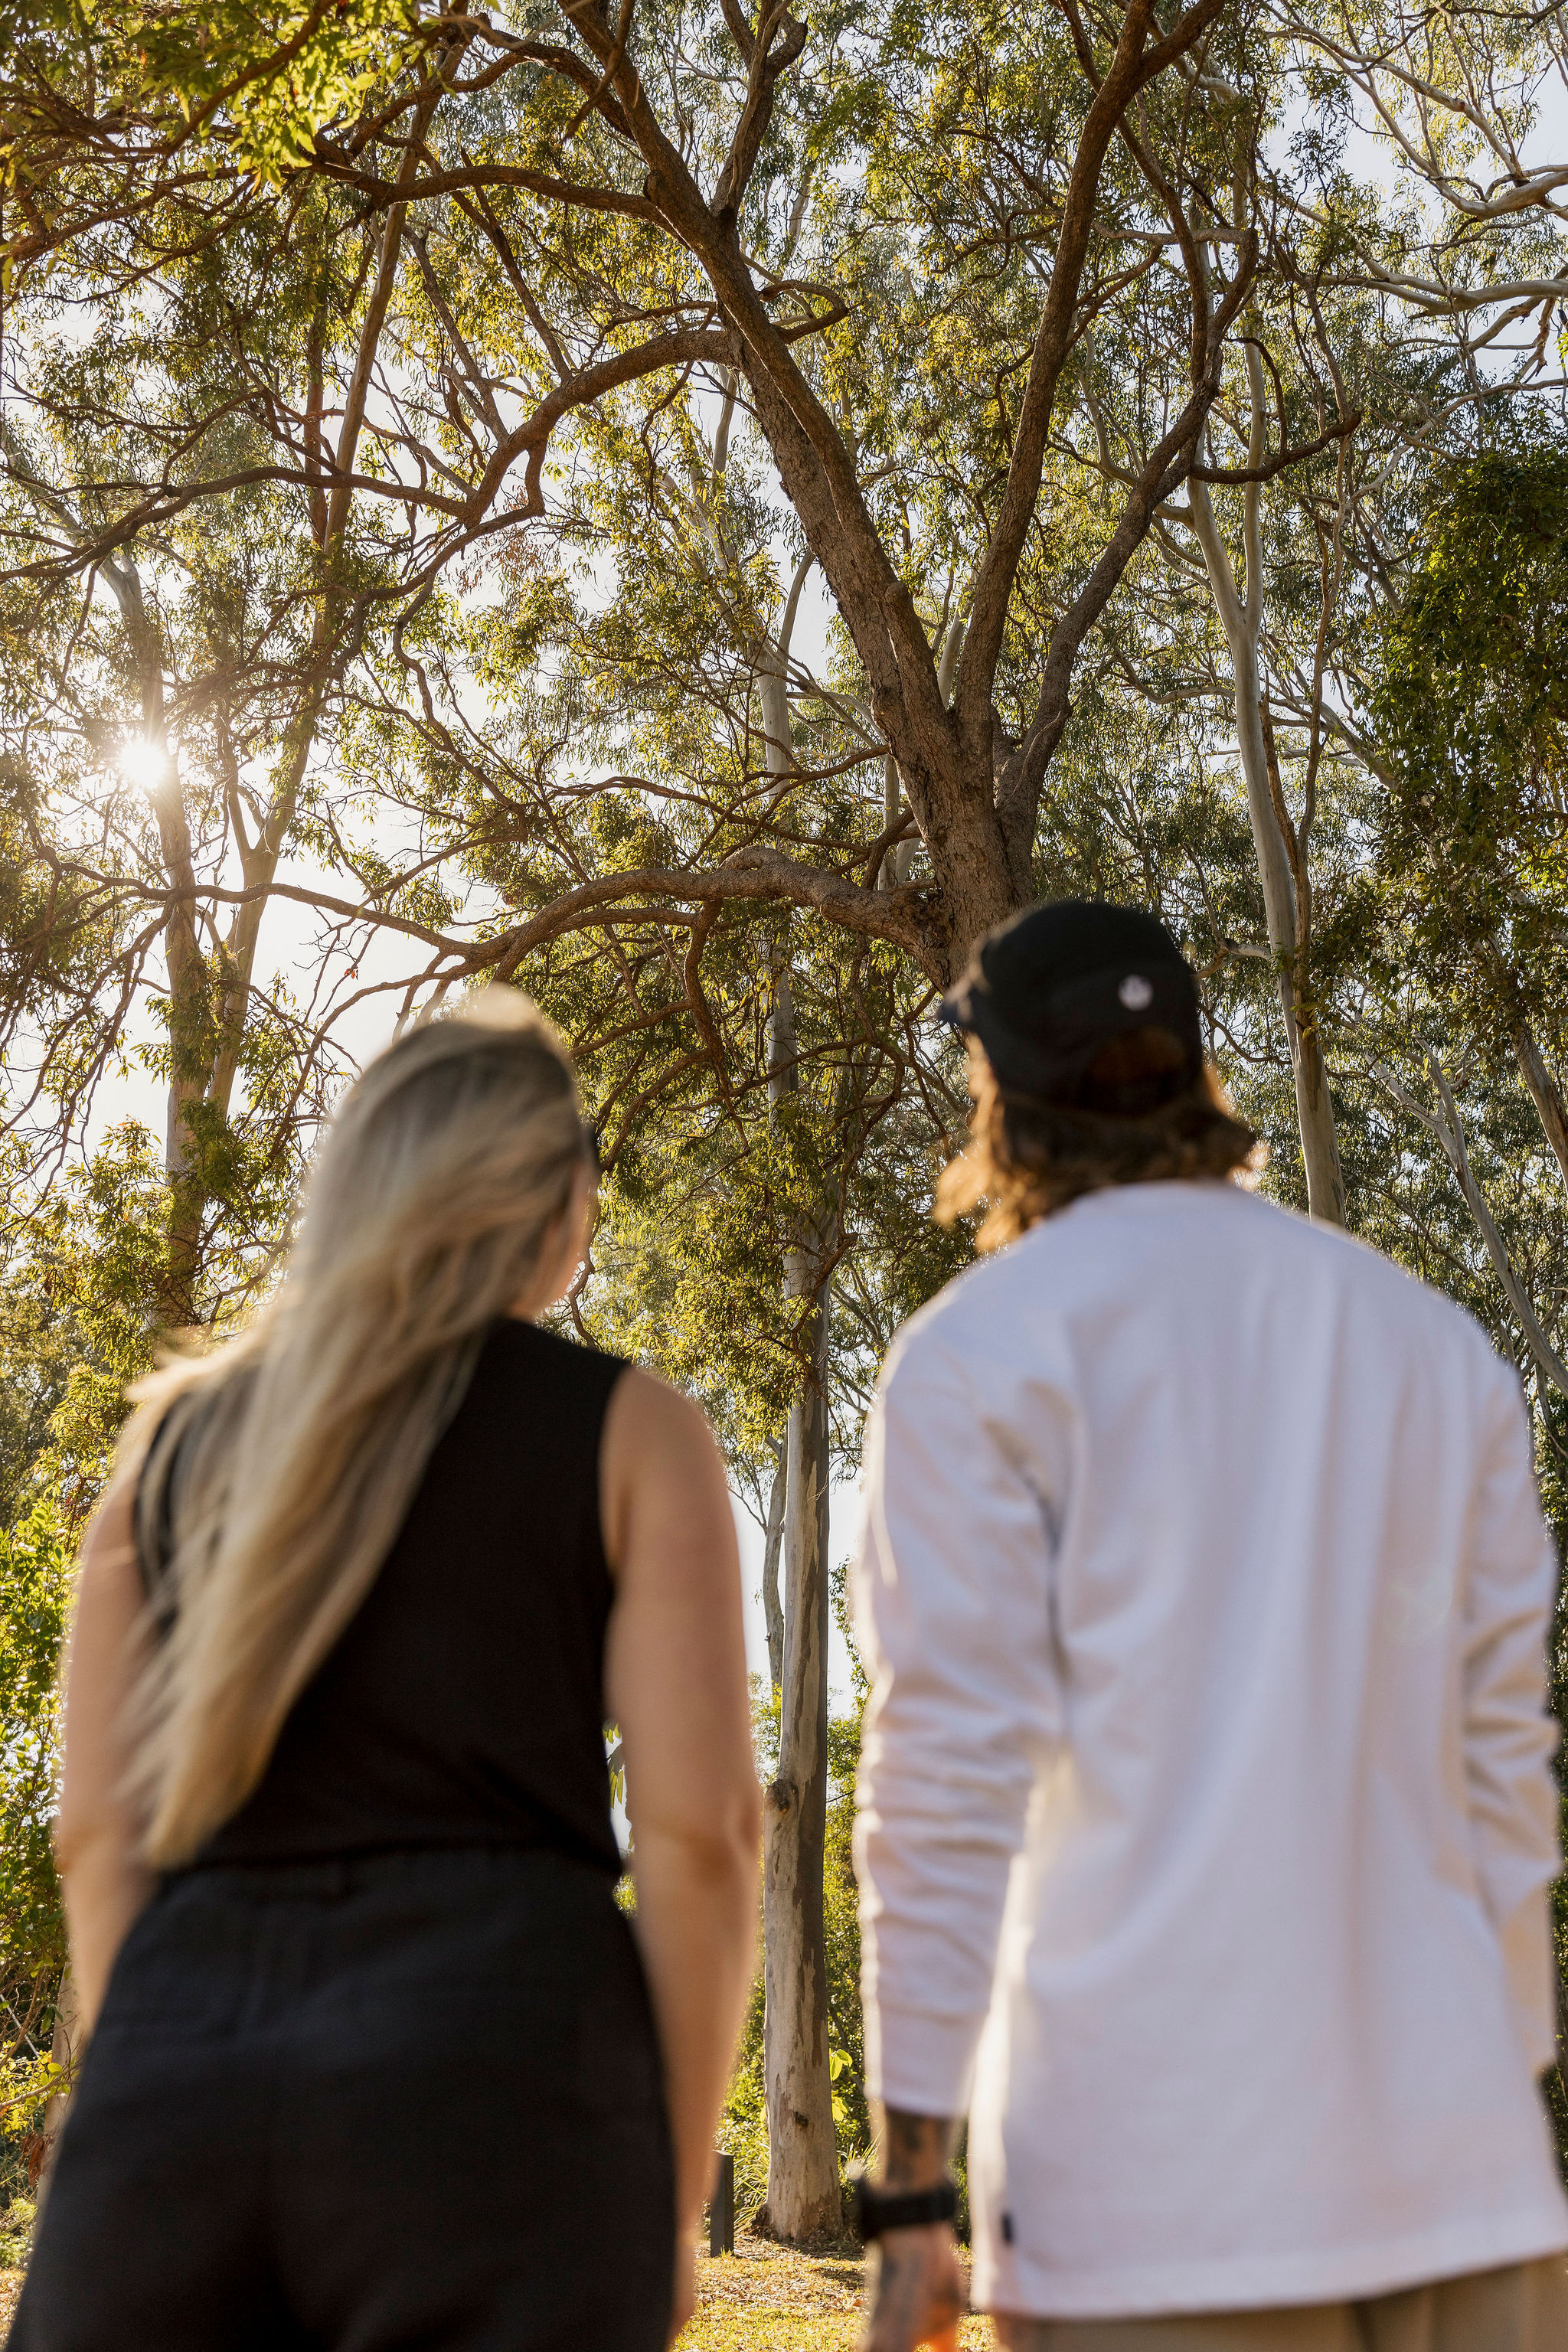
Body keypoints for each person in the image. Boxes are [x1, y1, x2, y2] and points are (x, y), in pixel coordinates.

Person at [851, 899, 1568, 2352]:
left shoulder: (975, 1360)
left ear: (1001, 1097)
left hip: (1154, 2210)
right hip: (1467, 2185)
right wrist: (1490, 2096)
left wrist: (911, 2189)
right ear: (1194, 1070)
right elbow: (1508, 1780)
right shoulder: (1434, 1346)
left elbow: (944, 1793)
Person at [11, 987, 760, 2352]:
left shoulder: (168, 1444)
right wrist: (660, 2195)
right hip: (500, 2074)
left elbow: (98, 1834)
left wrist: (170, 2070)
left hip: (176, 2075)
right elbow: (703, 1838)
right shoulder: (634, 1432)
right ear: (561, 1206)